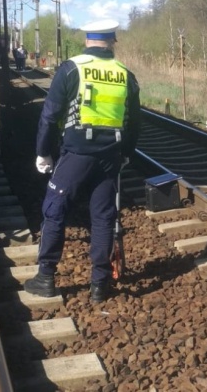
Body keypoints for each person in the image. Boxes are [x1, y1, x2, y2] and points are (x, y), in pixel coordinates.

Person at [25, 19, 141, 303]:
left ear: (87, 40)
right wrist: (126, 152)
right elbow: (135, 122)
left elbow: (50, 116)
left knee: (54, 210)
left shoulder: (71, 68)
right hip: (110, 157)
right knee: (103, 218)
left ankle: (45, 277)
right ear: (112, 41)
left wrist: (43, 152)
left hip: (77, 154)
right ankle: (100, 284)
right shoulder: (125, 74)